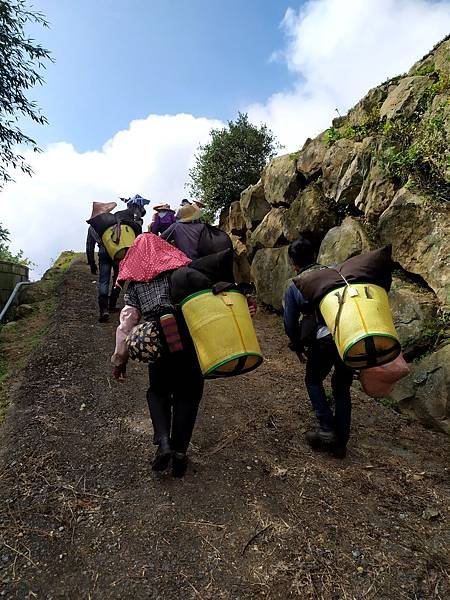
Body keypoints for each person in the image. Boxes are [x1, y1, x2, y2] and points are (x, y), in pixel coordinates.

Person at [110, 233, 204, 478]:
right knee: (189, 392)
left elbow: (126, 325)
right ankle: (180, 452)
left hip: (156, 340)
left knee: (158, 391)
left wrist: (120, 360)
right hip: (185, 336)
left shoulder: (135, 287)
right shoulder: (181, 273)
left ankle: (163, 443)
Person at [283, 237, 353, 459]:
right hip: (348, 335)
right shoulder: (335, 272)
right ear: (315, 255)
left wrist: (296, 345)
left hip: (322, 340)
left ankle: (326, 428)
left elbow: (290, 321)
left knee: (313, 380)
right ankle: (341, 442)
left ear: (293, 262)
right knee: (342, 387)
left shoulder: (295, 284)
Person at [86, 201, 122, 322]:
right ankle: (112, 304)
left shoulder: (91, 228)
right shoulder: (114, 219)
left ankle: (104, 309)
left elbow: (89, 246)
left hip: (103, 252)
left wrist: (92, 264)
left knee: (104, 280)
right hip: (116, 251)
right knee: (118, 278)